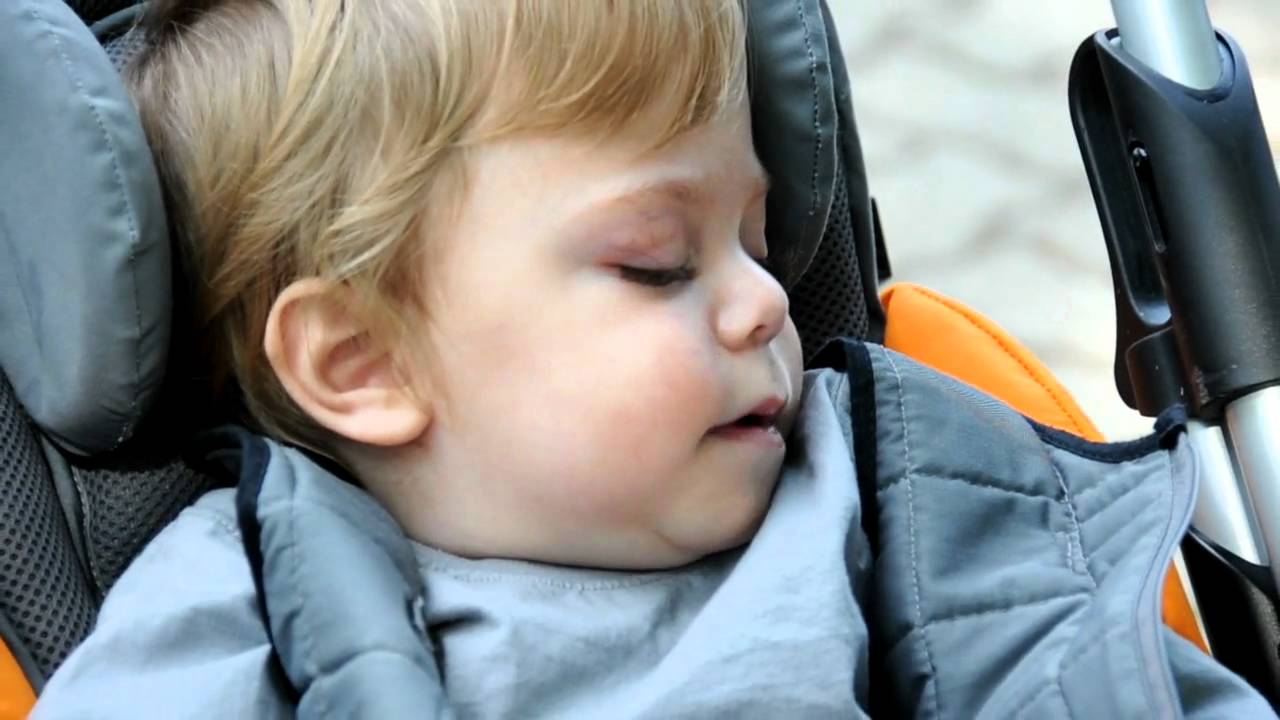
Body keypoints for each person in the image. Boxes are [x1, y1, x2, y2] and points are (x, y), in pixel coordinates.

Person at [31, 0, 1278, 717]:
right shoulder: (228, 628)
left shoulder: (905, 480)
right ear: (361, 360)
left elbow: (1109, 673)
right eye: (656, 265)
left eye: (754, 237)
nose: (761, 309)